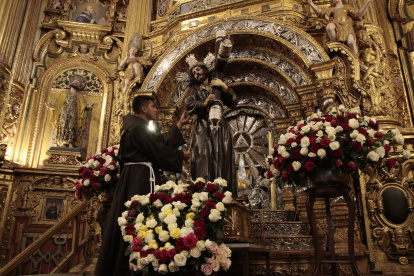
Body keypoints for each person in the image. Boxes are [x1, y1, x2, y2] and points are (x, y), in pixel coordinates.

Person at [95, 95, 191, 276]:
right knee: (137, 220)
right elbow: (158, 149)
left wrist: (179, 125)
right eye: (153, 106)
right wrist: (179, 156)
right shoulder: (136, 129)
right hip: (138, 179)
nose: (156, 110)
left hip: (138, 176)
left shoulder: (137, 128)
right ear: (144, 109)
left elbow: (157, 142)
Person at [184, 63, 237, 195]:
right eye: (193, 72)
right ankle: (203, 194)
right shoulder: (193, 90)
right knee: (203, 156)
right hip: (202, 127)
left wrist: (224, 87)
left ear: (205, 70)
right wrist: (204, 103)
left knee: (222, 156)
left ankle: (223, 191)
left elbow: (233, 102)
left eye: (198, 69)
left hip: (220, 127)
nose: (196, 73)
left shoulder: (216, 87)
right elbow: (189, 104)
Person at [45, 75, 97, 148]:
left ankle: (71, 143)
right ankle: (62, 142)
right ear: (71, 83)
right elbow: (58, 104)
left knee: (72, 126)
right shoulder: (64, 94)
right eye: (75, 81)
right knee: (63, 126)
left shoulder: (79, 96)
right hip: (64, 112)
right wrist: (52, 107)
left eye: (78, 83)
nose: (76, 83)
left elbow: (83, 105)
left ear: (79, 86)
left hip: (74, 113)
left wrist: (89, 107)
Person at [308, 0, 372, 54]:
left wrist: (367, 3)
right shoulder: (332, 9)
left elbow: (358, 14)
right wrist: (311, 3)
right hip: (336, 24)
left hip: (346, 26)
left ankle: (356, 59)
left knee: (351, 42)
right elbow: (320, 13)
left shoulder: (347, 7)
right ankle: (336, 44)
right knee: (329, 27)